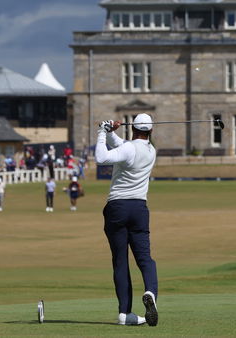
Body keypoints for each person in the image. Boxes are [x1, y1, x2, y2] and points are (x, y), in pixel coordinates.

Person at [95, 113, 158, 326]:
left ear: (133, 129)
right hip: (139, 209)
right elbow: (124, 147)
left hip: (118, 208)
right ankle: (151, 293)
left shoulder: (129, 148)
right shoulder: (151, 150)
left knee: (121, 261)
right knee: (145, 259)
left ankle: (125, 313)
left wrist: (102, 133)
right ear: (150, 131)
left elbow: (102, 158)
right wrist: (112, 132)